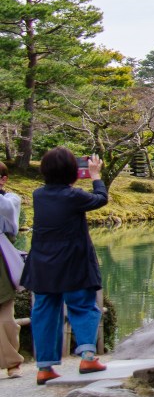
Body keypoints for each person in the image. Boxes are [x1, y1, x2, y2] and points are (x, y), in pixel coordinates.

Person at [22, 149, 108, 384]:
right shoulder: (74, 196)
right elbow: (101, 199)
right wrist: (96, 176)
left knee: (45, 312)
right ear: (72, 172)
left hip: (42, 264)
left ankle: (44, 367)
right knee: (82, 305)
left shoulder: (38, 195)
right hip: (73, 262)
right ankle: (88, 357)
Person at [0, 162, 23, 378]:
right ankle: (12, 362)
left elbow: (10, 223)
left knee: (6, 314)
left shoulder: (9, 201)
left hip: (1, 257)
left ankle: (12, 362)